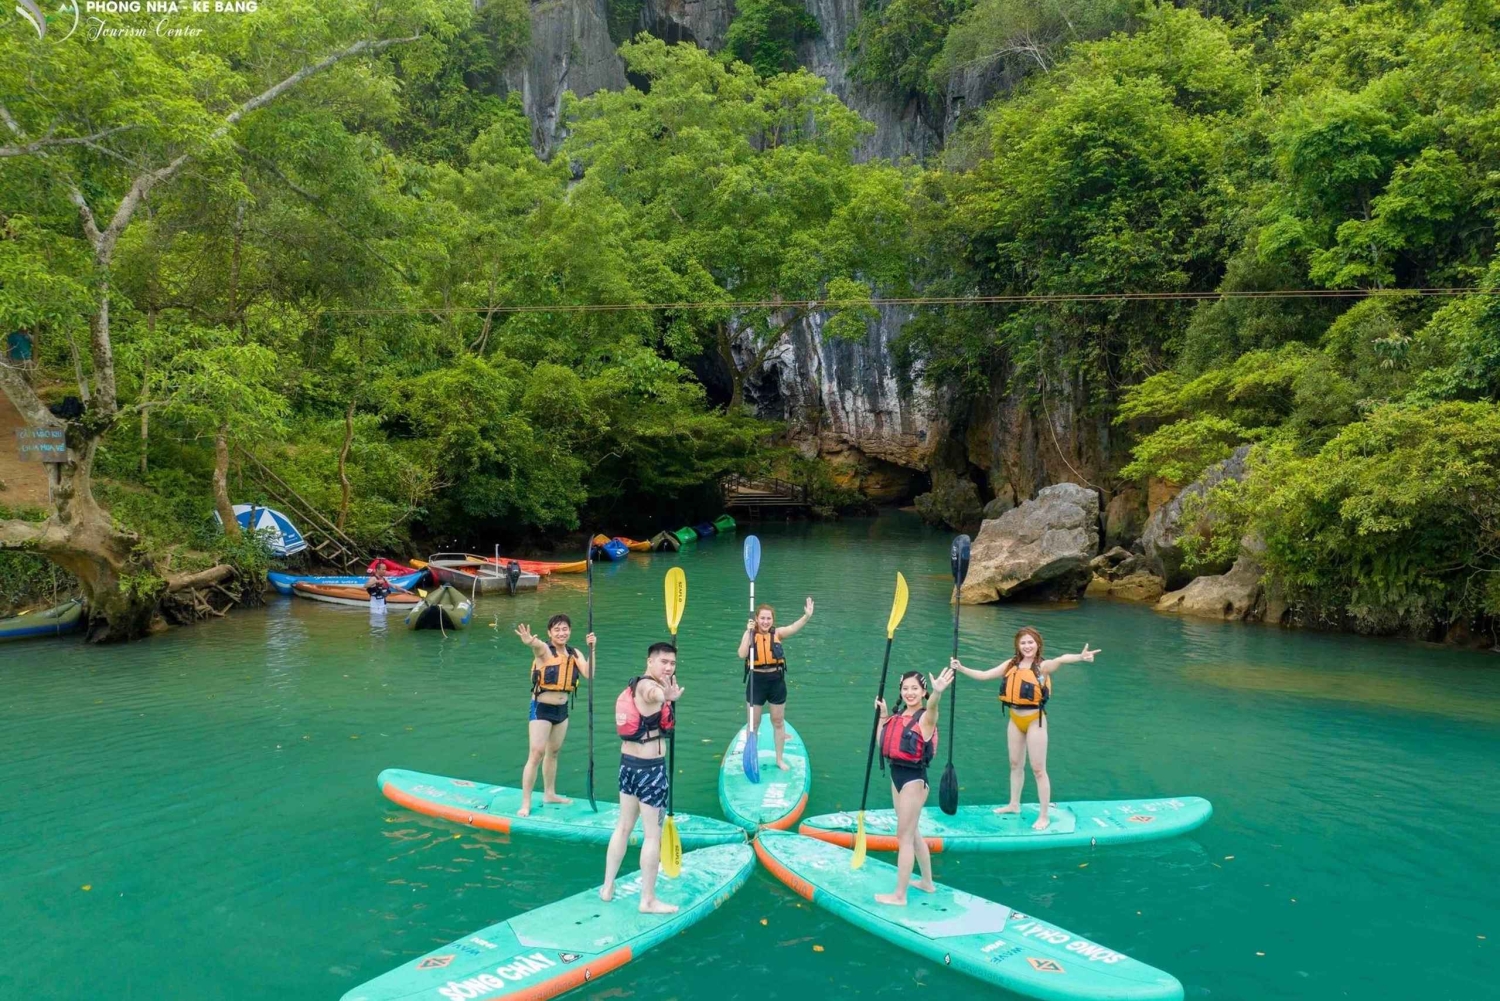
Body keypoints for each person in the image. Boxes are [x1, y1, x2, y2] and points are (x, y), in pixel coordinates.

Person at [951, 627, 1101, 831]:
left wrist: (1080, 657)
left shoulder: (1042, 667)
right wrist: (961, 668)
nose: (1027, 646)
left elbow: (1061, 659)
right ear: (1017, 645)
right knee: (1015, 764)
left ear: (1038, 644)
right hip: (1014, 719)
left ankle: (1044, 815)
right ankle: (1014, 804)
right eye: (1023, 643)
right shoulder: (1011, 664)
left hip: (1034, 720)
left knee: (1038, 769)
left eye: (1031, 642)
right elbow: (985, 675)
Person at [602, 641, 683, 914]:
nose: (669, 667)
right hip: (649, 771)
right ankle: (647, 900)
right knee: (652, 835)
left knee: (623, 827)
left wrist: (667, 693)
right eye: (664, 662)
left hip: (628, 766)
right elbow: (652, 695)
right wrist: (667, 696)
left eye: (672, 663)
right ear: (650, 661)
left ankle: (607, 887)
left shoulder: (637, 685)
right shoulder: (648, 686)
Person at [873, 666, 955, 906]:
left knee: (904, 837)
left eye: (915, 689)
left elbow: (933, 708)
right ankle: (927, 883)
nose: (910, 693)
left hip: (914, 780)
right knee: (913, 832)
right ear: (901, 691)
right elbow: (882, 741)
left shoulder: (925, 718)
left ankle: (899, 896)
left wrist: (938, 693)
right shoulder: (897, 717)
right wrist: (883, 714)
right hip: (896, 776)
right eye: (905, 688)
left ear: (923, 692)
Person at [513, 614, 596, 817]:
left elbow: (589, 673)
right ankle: (526, 803)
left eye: (565, 628)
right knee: (536, 753)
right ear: (550, 632)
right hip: (541, 708)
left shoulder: (574, 653)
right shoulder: (545, 651)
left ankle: (549, 793)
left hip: (562, 710)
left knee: (554, 752)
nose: (561, 633)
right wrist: (530, 641)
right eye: (557, 629)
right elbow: (537, 646)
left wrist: (592, 649)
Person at [735, 596, 814, 770]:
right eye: (762, 618)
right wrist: (748, 633)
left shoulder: (777, 633)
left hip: (776, 682)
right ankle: (751, 759)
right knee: (753, 724)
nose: (765, 621)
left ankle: (779, 759)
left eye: (768, 618)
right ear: (756, 619)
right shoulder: (750, 634)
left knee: (778, 721)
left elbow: (793, 627)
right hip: (756, 682)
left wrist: (806, 616)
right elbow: (741, 654)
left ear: (772, 620)